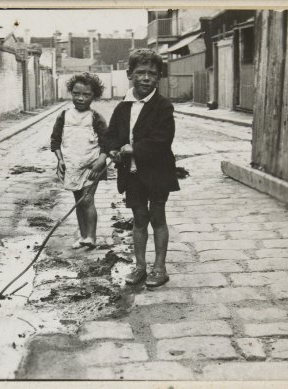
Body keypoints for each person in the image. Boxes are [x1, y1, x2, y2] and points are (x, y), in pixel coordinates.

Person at [105, 49, 180, 287]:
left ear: (159, 78)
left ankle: (160, 267)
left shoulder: (163, 107)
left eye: (152, 73)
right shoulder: (122, 107)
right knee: (139, 219)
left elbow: (162, 140)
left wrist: (133, 149)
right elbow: (111, 136)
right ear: (130, 74)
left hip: (158, 172)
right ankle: (140, 266)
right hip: (133, 174)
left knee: (157, 217)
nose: (146, 78)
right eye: (140, 73)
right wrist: (113, 150)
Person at [50, 72, 109, 249]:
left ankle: (91, 236)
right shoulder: (64, 115)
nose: (81, 98)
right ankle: (82, 235)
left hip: (92, 165)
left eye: (86, 94)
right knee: (78, 200)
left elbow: (107, 142)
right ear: (71, 93)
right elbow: (55, 140)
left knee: (88, 199)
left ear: (94, 96)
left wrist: (102, 160)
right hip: (72, 165)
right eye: (76, 94)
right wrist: (60, 160)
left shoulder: (95, 118)